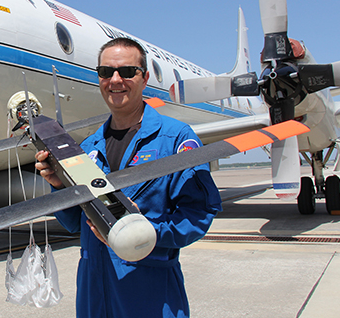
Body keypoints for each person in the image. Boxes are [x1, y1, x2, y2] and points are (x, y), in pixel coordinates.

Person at [35, 37, 222, 318]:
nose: (115, 80)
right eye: (106, 72)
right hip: (94, 292)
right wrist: (59, 187)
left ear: (144, 78)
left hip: (149, 294)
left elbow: (198, 215)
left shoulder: (175, 139)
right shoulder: (87, 148)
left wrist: (147, 234)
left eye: (127, 72)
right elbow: (75, 223)